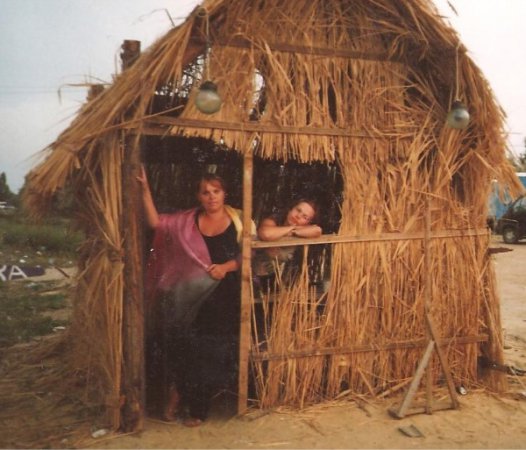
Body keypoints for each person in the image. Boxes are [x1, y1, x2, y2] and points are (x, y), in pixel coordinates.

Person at [138, 167, 250, 427]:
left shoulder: (240, 220)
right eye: (205, 192)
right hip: (191, 298)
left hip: (224, 296)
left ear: (224, 193)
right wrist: (144, 189)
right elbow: (156, 223)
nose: (211, 197)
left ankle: (197, 409)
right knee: (186, 348)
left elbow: (249, 254)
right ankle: (178, 396)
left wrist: (226, 267)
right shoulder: (186, 221)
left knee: (209, 352)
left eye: (216, 191)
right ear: (198, 196)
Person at [253, 199, 322, 291]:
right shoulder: (274, 220)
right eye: (298, 210)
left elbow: (317, 230)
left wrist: (292, 231)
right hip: (252, 276)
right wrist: (292, 229)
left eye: (305, 217)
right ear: (290, 209)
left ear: (308, 223)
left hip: (277, 280)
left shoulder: (303, 231)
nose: (298, 216)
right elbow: (266, 234)